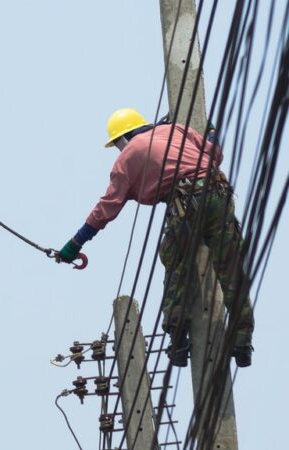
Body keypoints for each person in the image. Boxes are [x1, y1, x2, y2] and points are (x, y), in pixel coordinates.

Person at [56, 108, 255, 367]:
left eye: (117, 143)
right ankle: (242, 341)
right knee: (230, 270)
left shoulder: (127, 159)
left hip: (186, 204)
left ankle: (180, 339)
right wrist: (213, 133)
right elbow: (214, 154)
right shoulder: (178, 130)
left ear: (124, 137)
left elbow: (107, 207)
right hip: (219, 194)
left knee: (175, 263)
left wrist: (76, 243)